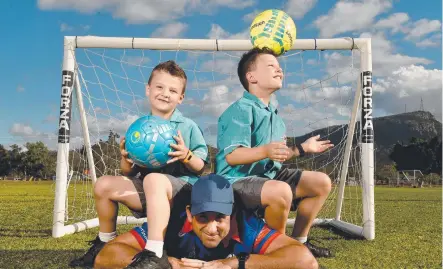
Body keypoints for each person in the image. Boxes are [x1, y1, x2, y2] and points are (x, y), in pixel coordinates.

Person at [70, 60, 209, 268]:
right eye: (159, 87)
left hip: (181, 194)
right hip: (148, 192)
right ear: (148, 89)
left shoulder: (187, 126)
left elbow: (202, 167)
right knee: (103, 184)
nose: (165, 93)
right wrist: (125, 159)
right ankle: (104, 243)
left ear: (181, 98)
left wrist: (186, 155)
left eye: (172, 90)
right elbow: (128, 171)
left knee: (154, 179)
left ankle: (154, 252)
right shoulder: (139, 127)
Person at [216, 47, 334, 258]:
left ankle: (298, 243)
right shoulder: (240, 109)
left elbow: (276, 155)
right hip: (233, 180)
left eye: (280, 67)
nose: (279, 71)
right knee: (281, 190)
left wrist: (301, 149)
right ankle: (275, 254)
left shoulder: (275, 117)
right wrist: (265, 150)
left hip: (268, 177)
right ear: (251, 77)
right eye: (271, 66)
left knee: (321, 182)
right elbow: (232, 156)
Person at [94, 174, 318, 269]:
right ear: (190, 215)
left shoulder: (247, 226)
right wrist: (168, 263)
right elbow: (106, 256)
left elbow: (306, 262)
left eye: (220, 218)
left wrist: (235, 264)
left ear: (231, 214)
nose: (212, 228)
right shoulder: (170, 224)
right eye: (203, 218)